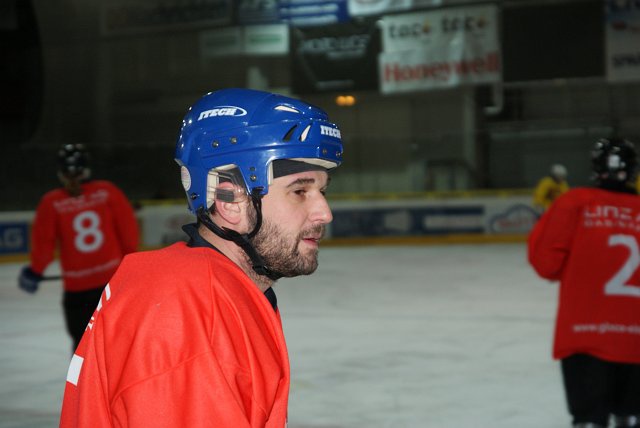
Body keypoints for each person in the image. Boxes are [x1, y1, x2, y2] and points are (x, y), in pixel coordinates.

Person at [59, 88, 344, 427]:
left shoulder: (214, 290)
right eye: (300, 191)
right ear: (229, 200)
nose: (324, 212)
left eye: (322, 191)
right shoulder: (192, 319)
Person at [528, 137, 640, 428]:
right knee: (633, 417)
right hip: (636, 340)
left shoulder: (574, 202)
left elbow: (546, 264)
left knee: (589, 420)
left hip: (585, 336)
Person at [18, 143, 139, 351]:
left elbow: (44, 244)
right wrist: (132, 265)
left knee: (83, 350)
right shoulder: (107, 191)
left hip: (77, 291)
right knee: (118, 345)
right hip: (112, 284)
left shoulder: (51, 202)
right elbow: (129, 235)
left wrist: (35, 271)